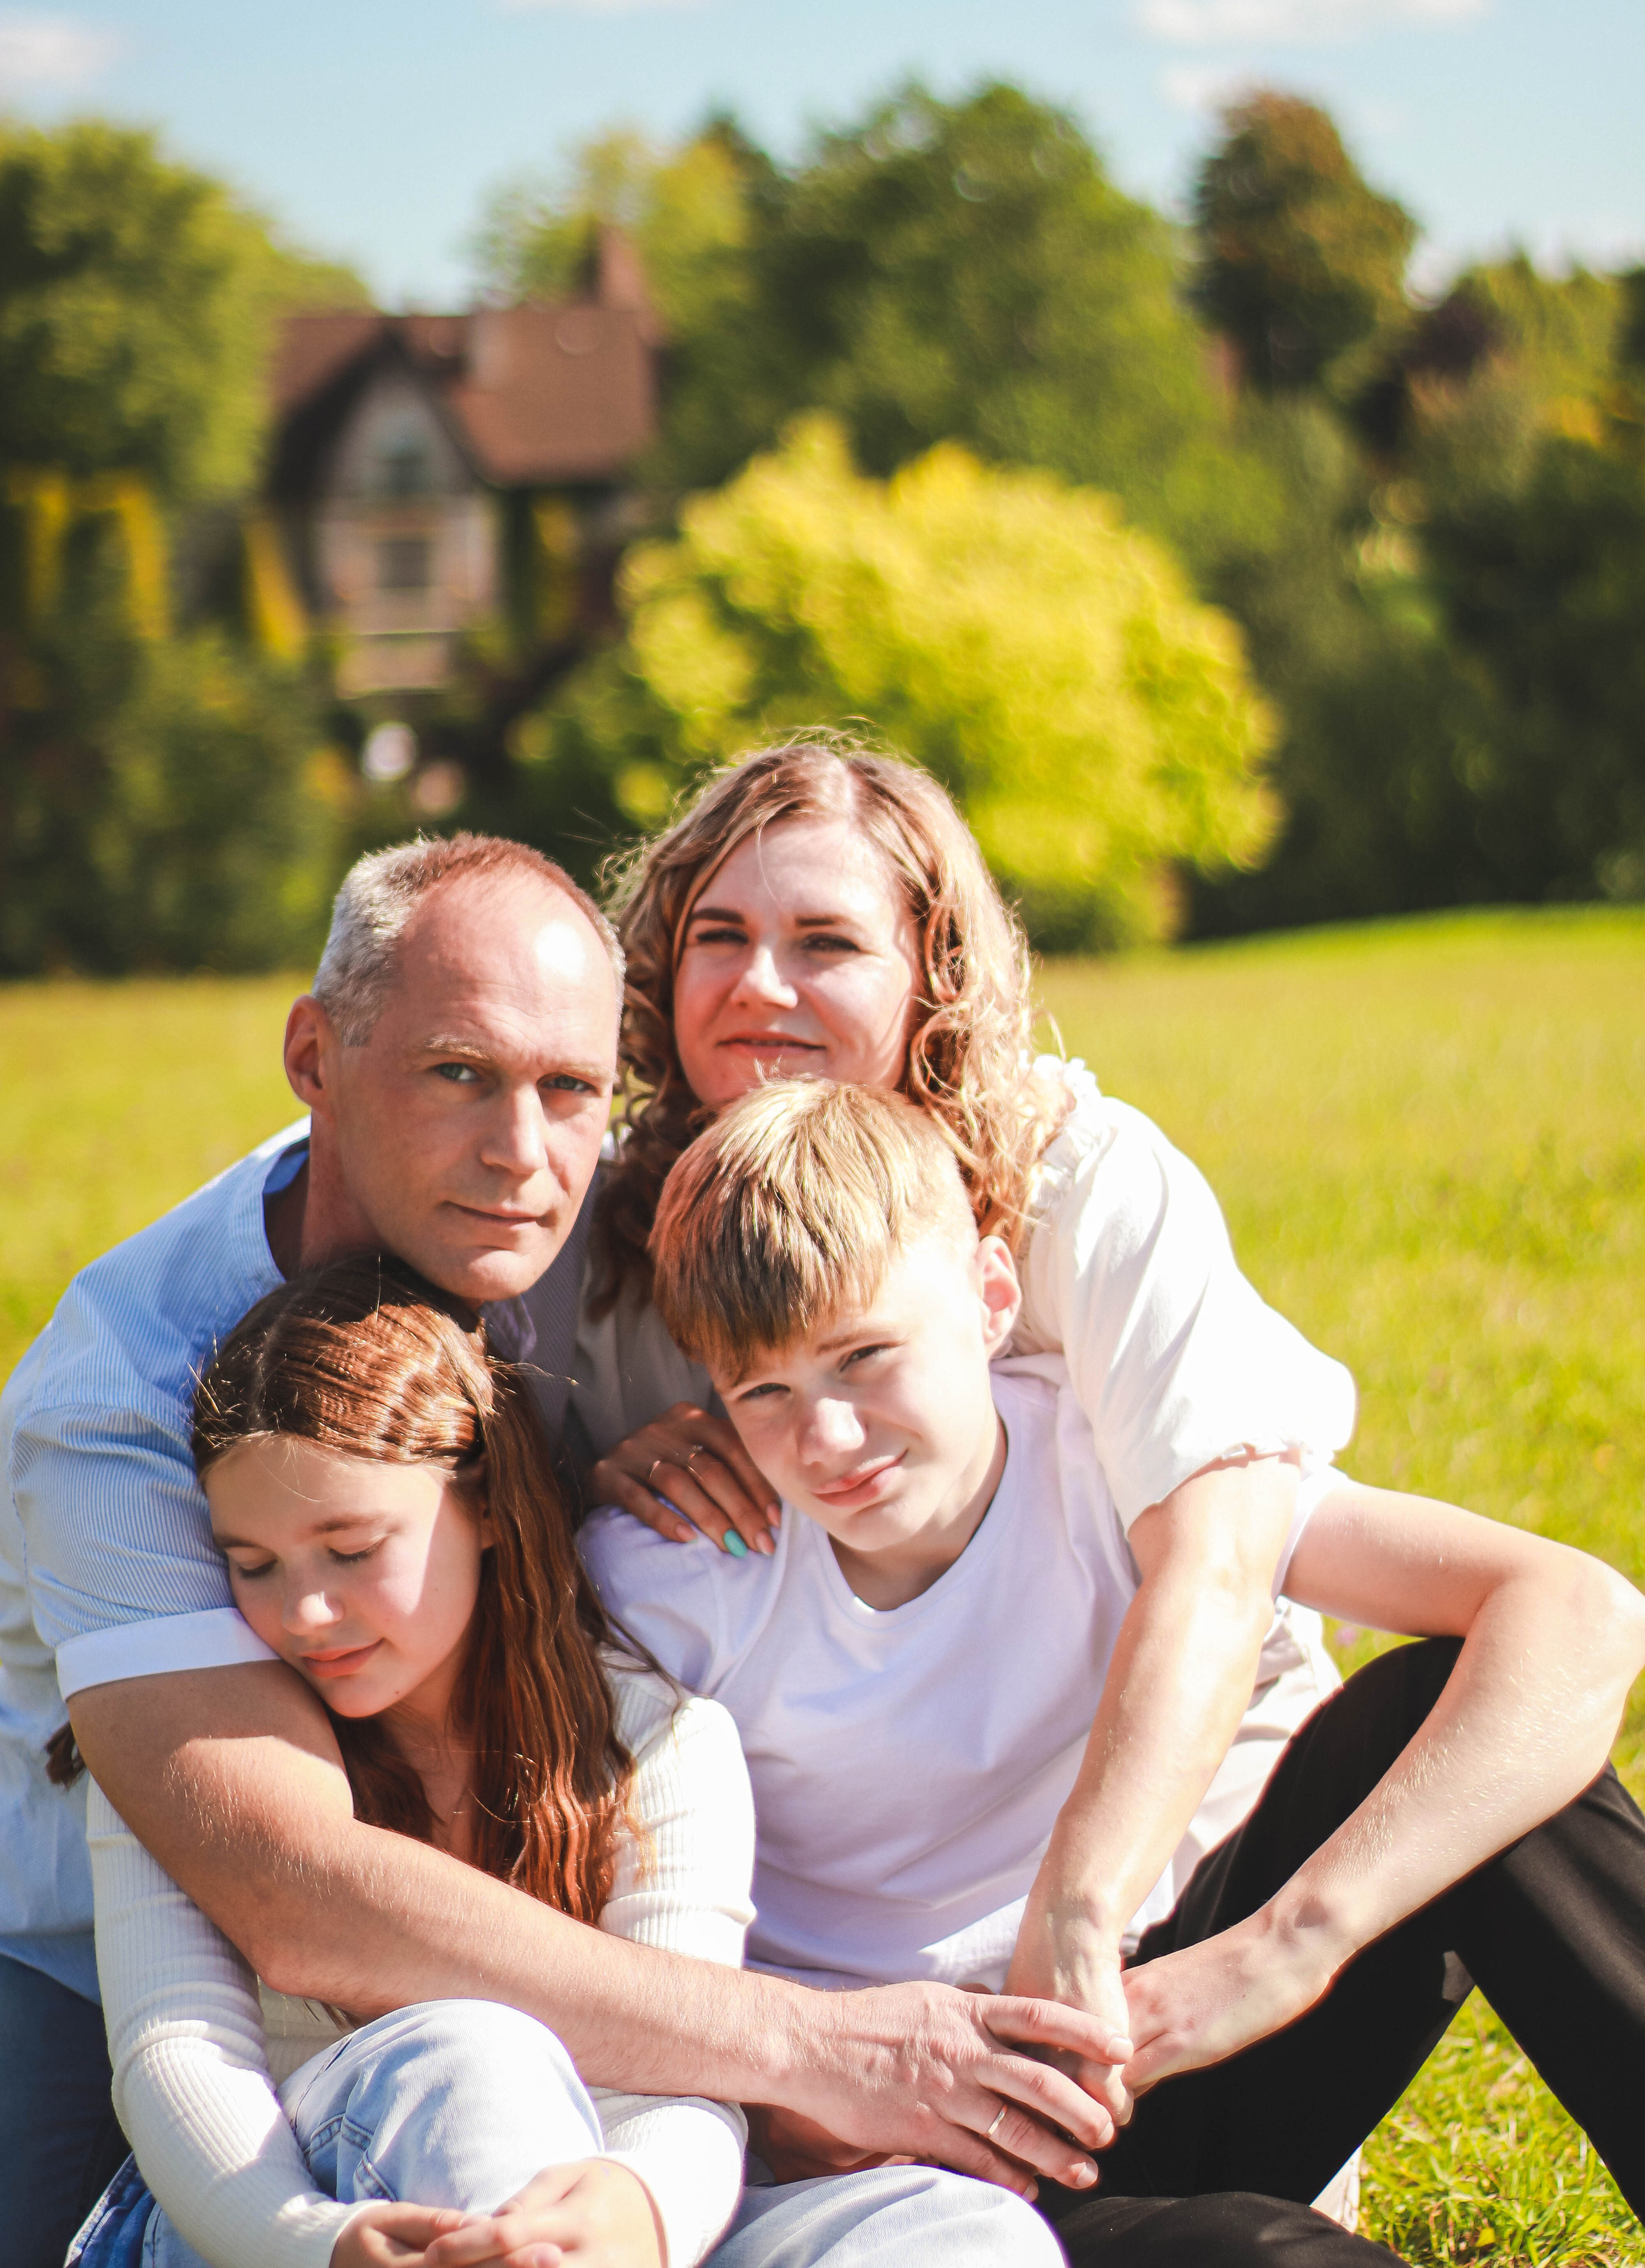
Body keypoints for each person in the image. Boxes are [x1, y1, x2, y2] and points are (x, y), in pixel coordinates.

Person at [2, 832, 1119, 2268]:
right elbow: (286, 1890)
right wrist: (815, 2046)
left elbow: (863, 1205)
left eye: (571, 1090)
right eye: (456, 1072)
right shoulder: (129, 1393)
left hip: (574, 1989)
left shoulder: (583, 1224)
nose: (522, 1155)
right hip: (120, 1985)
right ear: (314, 1056)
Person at [581, 1077, 1645, 2265]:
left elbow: (1580, 1612)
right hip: (908, 2176)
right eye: (764, 1391)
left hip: (1142, 2041)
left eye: (864, 1356)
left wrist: (1281, 1946)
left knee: (1433, 1714)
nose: (827, 1438)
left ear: (992, 1298)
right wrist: (786, 2100)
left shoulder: (1111, 1463)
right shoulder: (670, 1580)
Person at [573, 742, 1352, 2055]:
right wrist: (592, 1476)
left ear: (931, 976)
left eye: (824, 941)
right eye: (719, 935)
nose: (760, 985)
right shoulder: (619, 1238)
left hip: (1172, 1873)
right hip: (889, 1939)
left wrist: (1085, 1923)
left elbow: (1219, 1567)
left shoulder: (1080, 1184)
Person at [71, 1256, 1061, 2268]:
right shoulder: (198, 1745)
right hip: (258, 2217)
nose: (305, 1612)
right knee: (474, 2055)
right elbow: (175, 2055)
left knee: (956, 2231)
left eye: (355, 1548)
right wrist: (315, 2241)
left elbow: (687, 2075)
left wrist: (640, 2211)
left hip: (579, 2217)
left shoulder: (654, 1739)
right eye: (254, 1565)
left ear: (487, 1506)